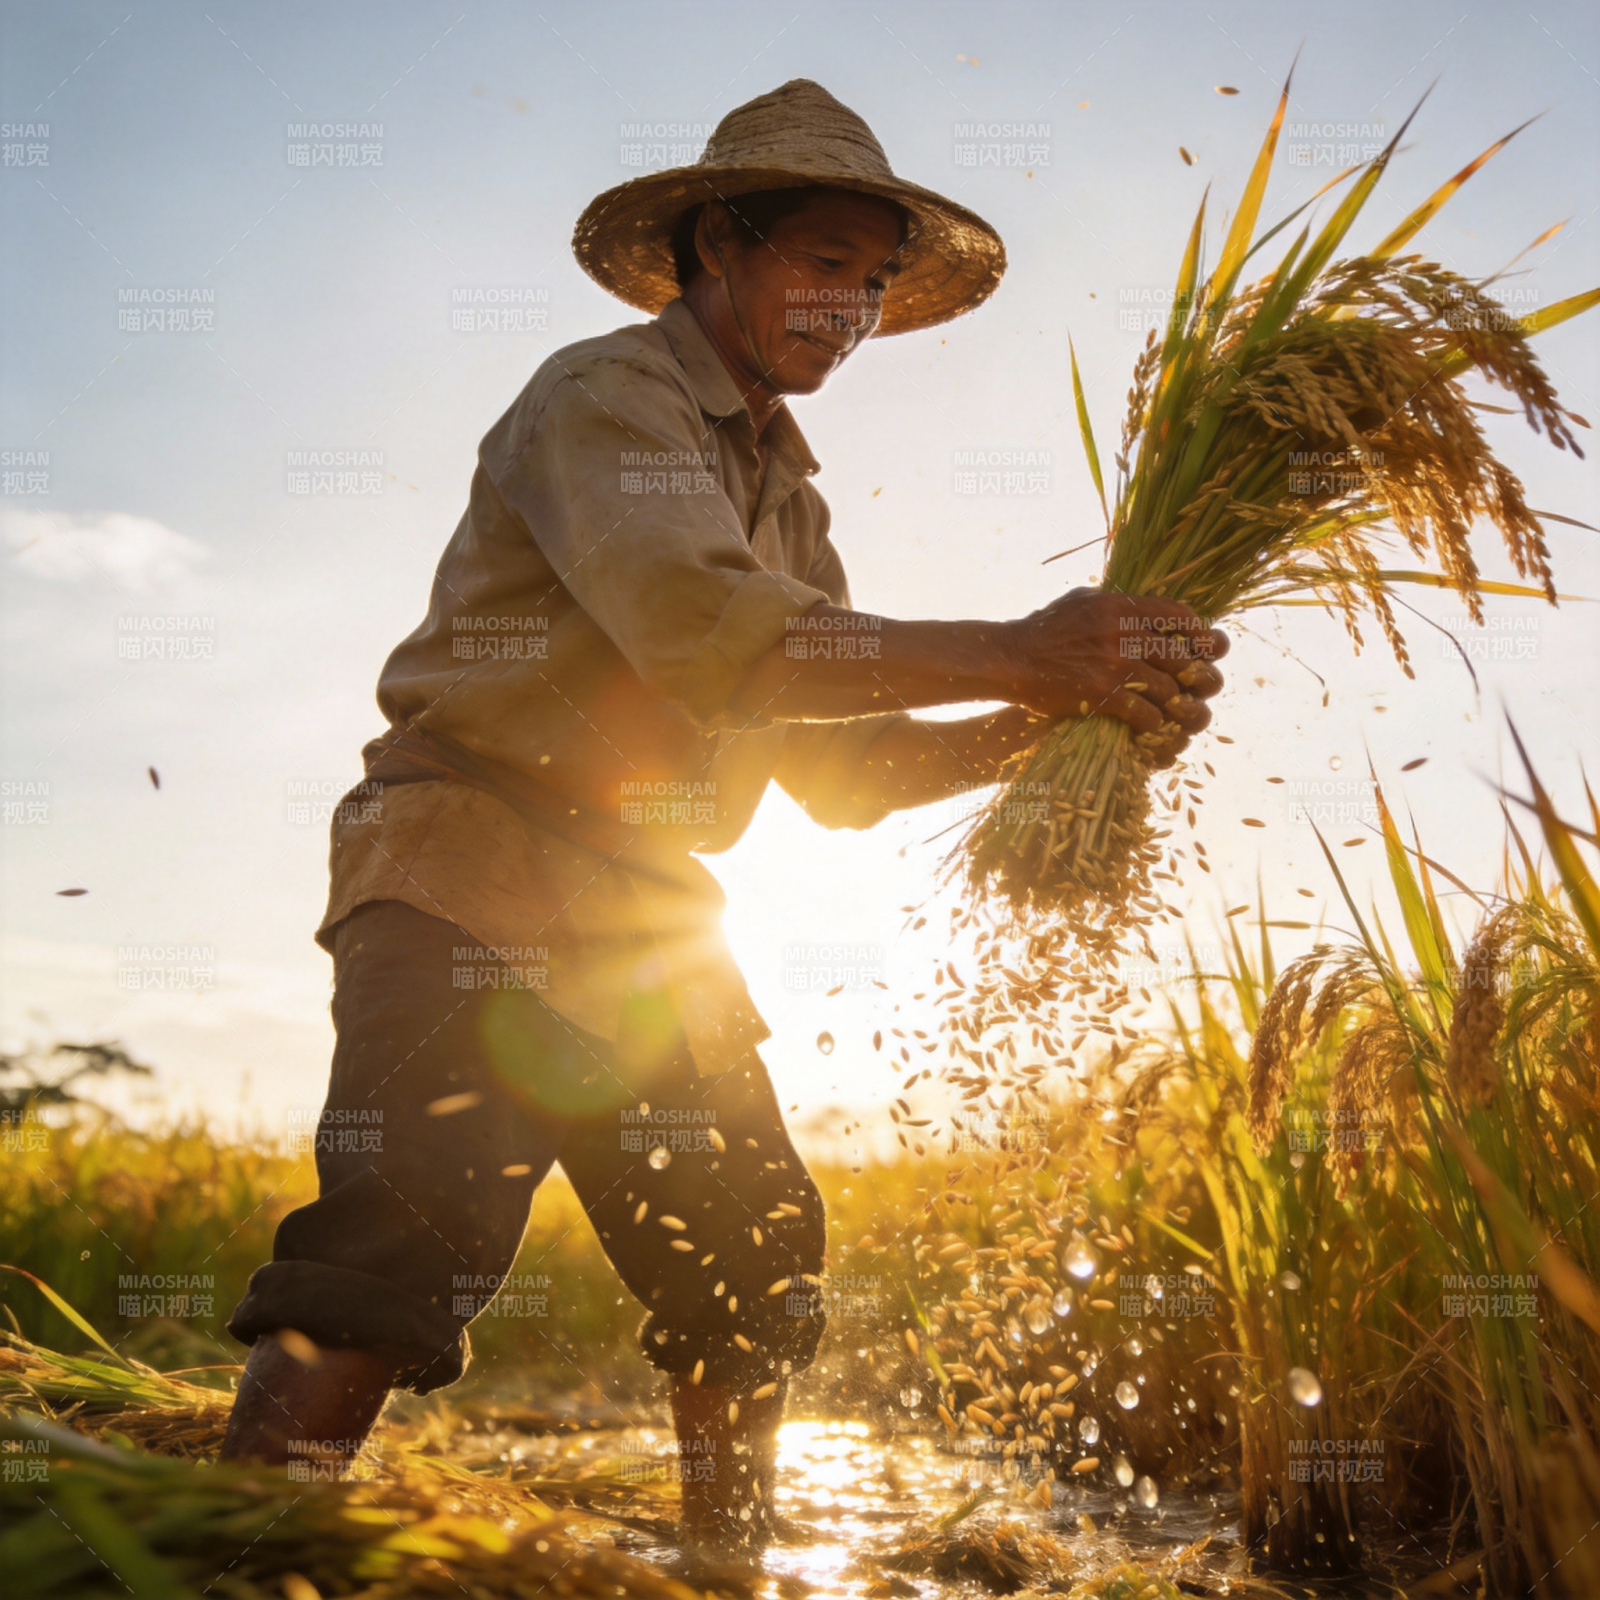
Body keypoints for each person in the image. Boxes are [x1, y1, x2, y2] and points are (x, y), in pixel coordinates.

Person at [220, 78, 1225, 1552]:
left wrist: (1056, 725)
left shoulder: (787, 492)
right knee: (399, 1239)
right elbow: (710, 634)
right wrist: (1025, 645)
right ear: (718, 249)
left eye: (876, 282)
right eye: (825, 262)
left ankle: (721, 1571)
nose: (855, 307)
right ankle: (227, 1553)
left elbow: (839, 765)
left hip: (647, 910)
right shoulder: (603, 399)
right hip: (468, 865)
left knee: (754, 1263)